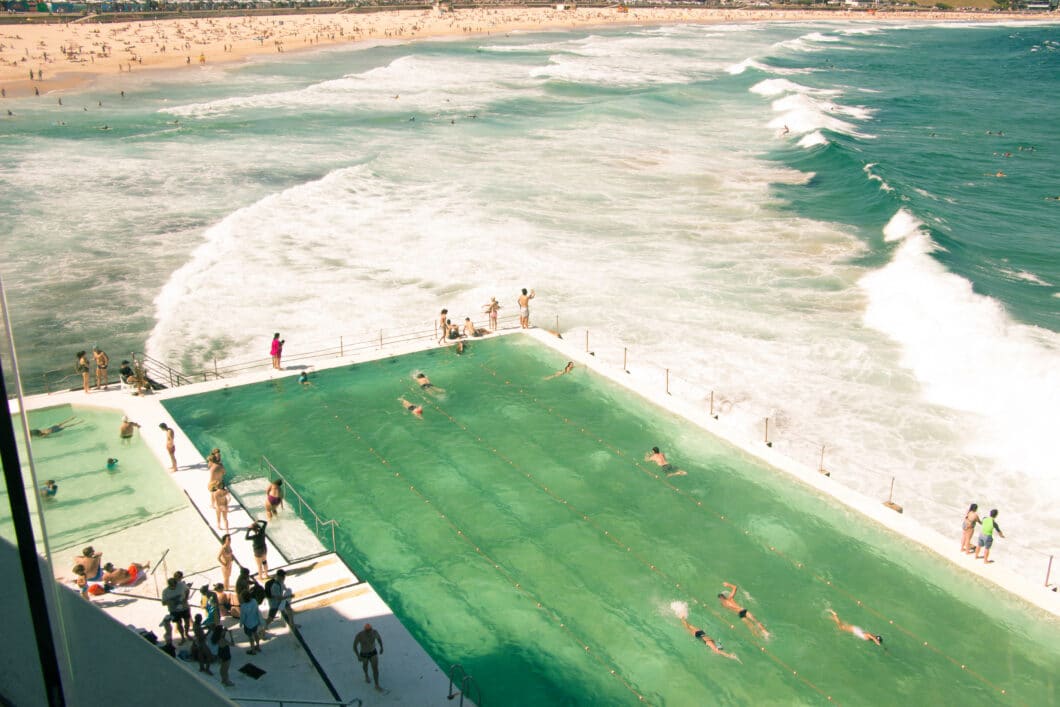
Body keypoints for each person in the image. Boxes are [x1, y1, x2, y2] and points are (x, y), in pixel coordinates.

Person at [353, 623, 384, 691]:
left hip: (373, 652)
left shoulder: (374, 632)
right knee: (365, 665)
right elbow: (354, 646)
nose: (369, 632)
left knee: (375, 669)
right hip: (364, 653)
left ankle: (376, 685)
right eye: (368, 631)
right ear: (365, 630)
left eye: (370, 630)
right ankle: (366, 675)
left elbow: (379, 639)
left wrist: (381, 647)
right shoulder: (360, 635)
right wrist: (358, 655)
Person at [161, 576, 191, 644]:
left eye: (175, 585)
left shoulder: (181, 585)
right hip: (174, 610)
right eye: (172, 586)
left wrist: (186, 598)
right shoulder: (165, 591)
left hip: (184, 607)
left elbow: (187, 590)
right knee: (178, 623)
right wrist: (171, 602)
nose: (174, 587)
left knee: (187, 622)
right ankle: (182, 637)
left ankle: (187, 634)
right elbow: (163, 603)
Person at [239, 589, 263, 654]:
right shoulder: (254, 601)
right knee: (255, 634)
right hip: (255, 622)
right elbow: (257, 611)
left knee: (250, 637)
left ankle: (253, 650)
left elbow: (243, 617)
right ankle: (258, 646)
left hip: (248, 624)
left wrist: (241, 623)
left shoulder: (243, 606)